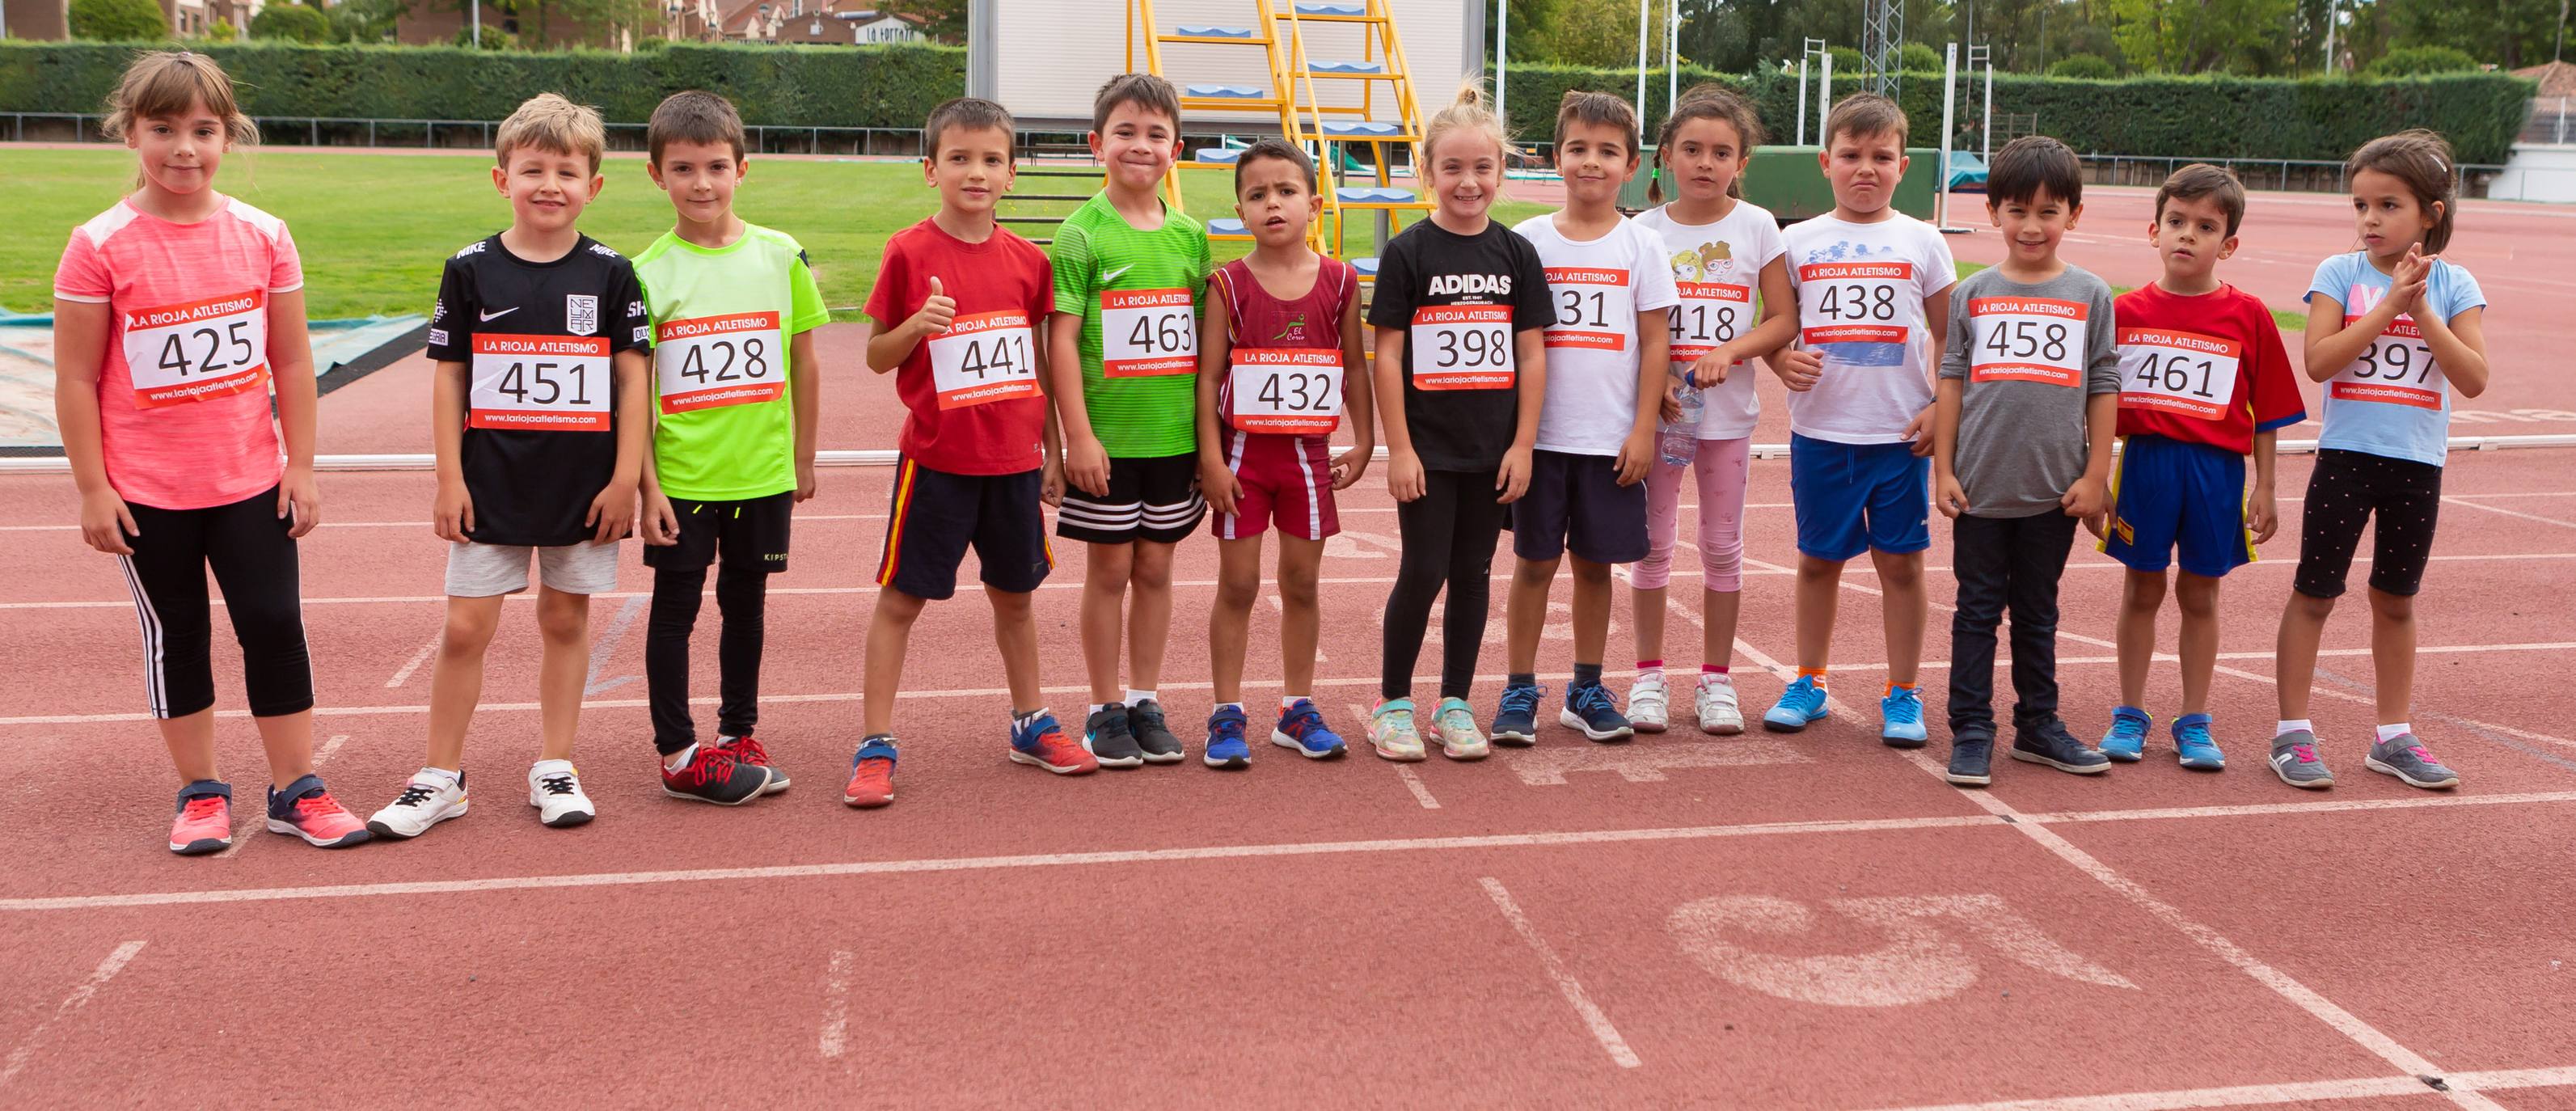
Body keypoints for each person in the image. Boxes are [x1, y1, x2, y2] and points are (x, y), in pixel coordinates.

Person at [53, 49, 369, 853]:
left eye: (203, 129)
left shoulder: (263, 235)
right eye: (163, 128)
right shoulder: (99, 244)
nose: (183, 148)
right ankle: (200, 792)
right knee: (179, 634)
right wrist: (93, 488)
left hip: (249, 481)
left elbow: (293, 361)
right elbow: (75, 377)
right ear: (131, 132)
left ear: (229, 136)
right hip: (147, 491)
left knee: (272, 623)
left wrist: (300, 464)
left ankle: (297, 787)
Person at [367, 93, 651, 838]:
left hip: (583, 485)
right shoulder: (469, 271)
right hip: (489, 479)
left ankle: (555, 764)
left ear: (595, 185)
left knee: (564, 617)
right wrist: (448, 476)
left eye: (567, 171)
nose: (549, 185)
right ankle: (440, 775)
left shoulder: (613, 273)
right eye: (533, 170)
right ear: (502, 180)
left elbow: (632, 379)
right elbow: (448, 376)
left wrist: (626, 477)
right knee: (464, 628)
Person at [855, 96, 1097, 805]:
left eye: (991, 159)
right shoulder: (907, 252)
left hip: (1015, 465)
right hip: (936, 463)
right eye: (959, 158)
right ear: (931, 168)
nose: (976, 172)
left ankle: (1030, 722)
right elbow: (874, 357)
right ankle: (875, 743)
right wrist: (917, 327)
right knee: (901, 601)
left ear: (1012, 173)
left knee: (1016, 599)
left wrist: (1053, 449)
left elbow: (1044, 364)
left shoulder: (1029, 261)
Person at [2272, 129, 2489, 791]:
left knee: (2396, 600)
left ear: (2432, 213)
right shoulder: (2339, 274)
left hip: (2417, 465)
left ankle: (2393, 736)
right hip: (2346, 457)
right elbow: (2319, 361)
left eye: (2388, 205)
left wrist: (2422, 310)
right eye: (2361, 205)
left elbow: (2474, 377)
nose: (2370, 219)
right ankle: (2292, 734)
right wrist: (2389, 305)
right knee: (2315, 592)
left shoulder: (2456, 284)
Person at [631, 90, 826, 805]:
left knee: (747, 608)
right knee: (675, 611)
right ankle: (678, 751)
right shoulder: (646, 274)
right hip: (684, 477)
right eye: (683, 169)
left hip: (763, 473)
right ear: (656, 176)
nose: (702, 183)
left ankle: (738, 732)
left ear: (744, 168)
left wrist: (803, 456)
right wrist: (648, 485)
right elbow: (637, 392)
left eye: (716, 166)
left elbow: (804, 360)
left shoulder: (780, 257)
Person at [1366, 80, 1552, 762]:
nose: (1468, 182)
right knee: (1422, 571)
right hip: (1429, 450)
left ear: (1502, 172)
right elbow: (1386, 356)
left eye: (1482, 168)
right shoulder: (1409, 253)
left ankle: (1454, 703)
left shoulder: (1515, 254)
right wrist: (1399, 449)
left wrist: (1524, 444)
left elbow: (1532, 355)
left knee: (1474, 573)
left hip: (1492, 448)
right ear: (1428, 173)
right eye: (1453, 168)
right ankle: (1392, 704)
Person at [2099, 164, 2305, 772]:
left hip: (2216, 472)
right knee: (2141, 587)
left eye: (2205, 226)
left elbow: (2268, 412)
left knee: (2200, 592)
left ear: (2229, 243)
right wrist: (2092, 479)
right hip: (2145, 466)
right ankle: (2130, 713)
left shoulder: (2250, 316)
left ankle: (2193, 719)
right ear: (2154, 231)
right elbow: (2095, 404)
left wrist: (2266, 486)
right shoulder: (2123, 311)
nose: (2188, 235)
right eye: (2177, 222)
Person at [1929, 136, 2118, 786]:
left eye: (2048, 212)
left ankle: (2039, 725)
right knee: (1976, 611)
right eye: (2017, 211)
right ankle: (1972, 730)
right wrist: (1944, 468)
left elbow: (2103, 383)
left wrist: (2097, 475)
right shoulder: (1973, 292)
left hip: (2055, 489)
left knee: (2039, 611)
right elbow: (1951, 378)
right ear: (1992, 213)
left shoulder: (2091, 293)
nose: (2031, 226)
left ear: (2074, 215)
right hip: (1980, 486)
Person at [1767, 95, 1956, 747]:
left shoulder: (1923, 240)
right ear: (1826, 162)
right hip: (1822, 432)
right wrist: (1777, 359)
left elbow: (1950, 337)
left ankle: (1903, 692)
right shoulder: (1795, 241)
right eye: (1851, 156)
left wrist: (1939, 407)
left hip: (1899, 436)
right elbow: (1775, 326)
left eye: (1881, 157)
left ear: (1904, 166)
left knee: (1901, 566)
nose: (1865, 169)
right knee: (1818, 561)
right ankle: (1809, 681)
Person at [1496, 91, 1677, 746]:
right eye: (1578, 149)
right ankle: (1519, 687)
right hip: (1540, 439)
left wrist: (1642, 428)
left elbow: (1655, 341)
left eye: (1608, 152)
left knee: (1596, 567)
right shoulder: (1527, 241)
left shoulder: (1643, 245)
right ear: (1556, 158)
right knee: (1534, 563)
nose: (1591, 163)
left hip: (1610, 440)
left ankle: (1586, 688)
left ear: (1631, 165)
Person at [1047, 74, 1213, 768]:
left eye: (1154, 135)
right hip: (1108, 444)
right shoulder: (1081, 235)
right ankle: (1102, 705)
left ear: (1176, 149)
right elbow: (1058, 339)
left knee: (1156, 569)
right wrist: (1077, 436)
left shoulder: (1190, 238)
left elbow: (1206, 349)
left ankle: (1146, 698)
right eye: (1125, 133)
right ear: (1096, 145)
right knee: (1109, 571)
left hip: (1172, 440)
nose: (1140, 147)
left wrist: (1209, 443)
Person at [1195, 139, 1373, 767]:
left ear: (1314, 204)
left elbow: (1354, 364)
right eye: (1257, 195)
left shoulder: (1342, 279)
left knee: (1302, 583)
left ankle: (1297, 707)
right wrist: (1210, 460)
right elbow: (1207, 375)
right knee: (1238, 584)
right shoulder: (1227, 285)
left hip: (1307, 461)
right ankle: (1226, 713)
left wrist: (1367, 437)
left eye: (1286, 191)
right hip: (1243, 461)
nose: (1273, 204)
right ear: (1239, 211)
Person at [1629, 83, 1794, 736]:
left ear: (1742, 163)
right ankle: (1647, 677)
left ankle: (1717, 682)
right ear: (1666, 156)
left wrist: (1732, 349)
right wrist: (1655, 386)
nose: (1705, 162)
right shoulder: (1642, 231)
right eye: (1691, 149)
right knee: (1651, 548)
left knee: (1723, 547)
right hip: (1661, 417)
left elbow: (1783, 318)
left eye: (1721, 152)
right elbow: (1629, 329)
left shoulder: (1757, 227)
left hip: (1726, 421)